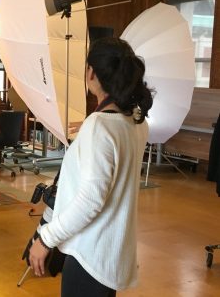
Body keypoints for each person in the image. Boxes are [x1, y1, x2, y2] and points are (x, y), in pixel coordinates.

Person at [29, 37, 153, 296]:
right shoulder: (137, 123)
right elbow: (114, 135)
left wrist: (45, 239)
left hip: (89, 255)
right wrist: (89, 126)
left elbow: (91, 200)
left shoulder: (100, 126)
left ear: (91, 73)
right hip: (111, 253)